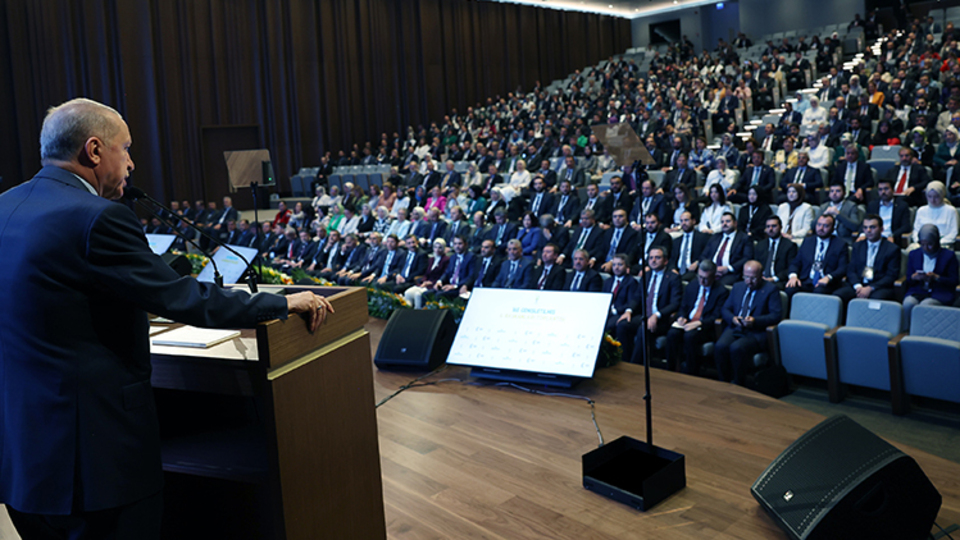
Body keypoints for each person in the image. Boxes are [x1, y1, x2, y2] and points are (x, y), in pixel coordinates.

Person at [0, 98, 332, 539]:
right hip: (95, 463)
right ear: (94, 151)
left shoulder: (5, 206)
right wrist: (281, 303)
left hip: (22, 458)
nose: (131, 163)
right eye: (126, 148)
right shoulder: (98, 218)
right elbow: (184, 299)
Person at [715, 260, 783, 385]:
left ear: (761, 275)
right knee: (720, 346)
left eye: (753, 278)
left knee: (737, 348)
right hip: (736, 327)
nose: (749, 281)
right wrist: (732, 318)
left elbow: (776, 315)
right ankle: (723, 382)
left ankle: (738, 383)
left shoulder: (771, 290)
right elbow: (725, 309)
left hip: (756, 331)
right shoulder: (738, 287)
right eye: (746, 277)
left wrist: (755, 321)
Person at [666, 260, 730, 374]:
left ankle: (691, 372)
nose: (702, 281)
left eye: (706, 278)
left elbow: (716, 316)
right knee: (672, 333)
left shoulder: (721, 291)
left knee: (690, 336)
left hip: (705, 327)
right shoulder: (693, 285)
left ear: (714, 277)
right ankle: (670, 370)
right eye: (700, 277)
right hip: (688, 322)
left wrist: (699, 323)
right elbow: (683, 307)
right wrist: (681, 317)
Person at [834, 214, 901, 303]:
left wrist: (870, 288)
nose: (868, 230)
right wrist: (858, 286)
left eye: (872, 227)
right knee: (838, 296)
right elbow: (851, 270)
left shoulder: (892, 249)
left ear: (881, 229)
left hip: (879, 287)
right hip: (859, 285)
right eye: (865, 227)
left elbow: (891, 276)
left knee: (876, 299)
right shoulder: (857, 246)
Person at [902, 224, 959, 328]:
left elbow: (954, 280)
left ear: (936, 241)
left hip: (940, 292)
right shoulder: (914, 254)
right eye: (922, 244)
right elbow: (909, 277)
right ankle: (907, 330)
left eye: (930, 244)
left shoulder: (948, 256)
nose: (926, 248)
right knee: (908, 303)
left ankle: (922, 331)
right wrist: (914, 277)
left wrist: (937, 277)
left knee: (925, 305)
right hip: (918, 290)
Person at [785, 214, 850, 297]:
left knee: (819, 291)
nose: (821, 228)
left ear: (833, 228)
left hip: (827, 282)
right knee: (790, 288)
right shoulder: (808, 242)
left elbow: (843, 268)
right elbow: (796, 263)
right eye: (819, 225)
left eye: (825, 226)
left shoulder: (840, 245)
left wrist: (829, 277)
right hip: (806, 280)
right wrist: (793, 276)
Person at [602, 254, 641, 363]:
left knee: (608, 326)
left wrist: (615, 310)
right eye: (614, 264)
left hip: (619, 313)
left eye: (620, 264)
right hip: (606, 311)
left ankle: (614, 357)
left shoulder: (631, 282)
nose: (616, 267)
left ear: (627, 267)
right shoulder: (608, 281)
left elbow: (630, 302)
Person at [702, 212, 754, 286]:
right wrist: (711, 269)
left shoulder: (744, 238)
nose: (724, 224)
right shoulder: (715, 237)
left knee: (719, 286)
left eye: (728, 221)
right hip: (711, 271)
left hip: (731, 273)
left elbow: (747, 258)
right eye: (722, 222)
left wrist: (728, 268)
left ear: (735, 223)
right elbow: (703, 255)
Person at [403, 238, 450, 308]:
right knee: (408, 293)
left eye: (440, 247)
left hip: (434, 285)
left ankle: (417, 312)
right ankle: (407, 311)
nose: (437, 249)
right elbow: (426, 274)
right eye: (435, 247)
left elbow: (444, 275)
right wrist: (424, 281)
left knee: (418, 294)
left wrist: (431, 282)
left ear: (443, 248)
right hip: (425, 284)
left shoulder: (446, 260)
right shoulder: (431, 259)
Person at [911, 181, 958, 247]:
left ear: (942, 195)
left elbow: (953, 233)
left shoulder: (951, 210)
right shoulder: (921, 210)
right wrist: (920, 242)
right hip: (922, 244)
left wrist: (936, 243)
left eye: (936, 197)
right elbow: (916, 231)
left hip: (943, 244)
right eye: (929, 196)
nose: (932, 200)